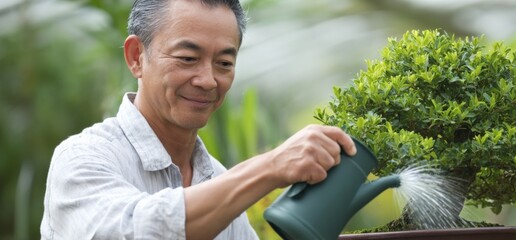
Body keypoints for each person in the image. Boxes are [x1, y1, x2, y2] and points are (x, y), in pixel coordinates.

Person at [40, 0, 357, 239]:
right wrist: (270, 167)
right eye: (188, 58)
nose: (208, 80)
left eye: (223, 63)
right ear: (137, 57)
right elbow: (135, 229)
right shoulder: (85, 158)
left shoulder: (217, 180)